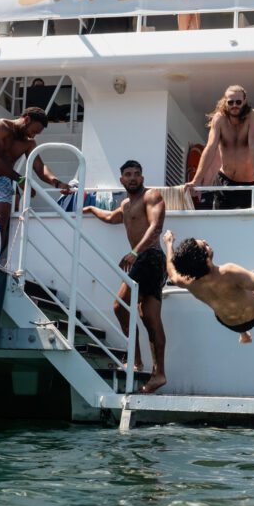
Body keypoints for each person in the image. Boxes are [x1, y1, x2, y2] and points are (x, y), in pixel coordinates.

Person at [83, 160, 167, 394]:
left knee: (120, 307)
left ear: (142, 177)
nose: (133, 178)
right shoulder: (127, 204)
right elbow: (111, 217)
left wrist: (134, 253)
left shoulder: (151, 196)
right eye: (128, 175)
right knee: (148, 317)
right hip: (143, 259)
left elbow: (155, 228)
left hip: (150, 258)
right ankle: (154, 371)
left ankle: (143, 364)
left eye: (137, 174)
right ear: (121, 180)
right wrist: (90, 209)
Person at [0, 107, 72, 258]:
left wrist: (57, 183)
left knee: (0, 221)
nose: (33, 135)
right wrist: (20, 180)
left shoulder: (28, 143)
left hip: (4, 180)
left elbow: (39, 167)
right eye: (33, 130)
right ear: (27, 119)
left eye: (36, 133)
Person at [164, 226, 254, 343]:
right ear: (206, 260)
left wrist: (169, 244)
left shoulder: (188, 282)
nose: (204, 241)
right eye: (204, 245)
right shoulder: (228, 272)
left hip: (232, 325)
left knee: (223, 304)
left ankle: (244, 335)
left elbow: (172, 273)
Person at [184, 85, 254, 209]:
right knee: (220, 220)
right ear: (225, 102)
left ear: (244, 101)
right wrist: (196, 181)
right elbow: (210, 148)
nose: (234, 105)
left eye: (238, 102)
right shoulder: (219, 119)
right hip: (224, 179)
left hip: (247, 183)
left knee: (243, 223)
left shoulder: (253, 117)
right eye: (230, 102)